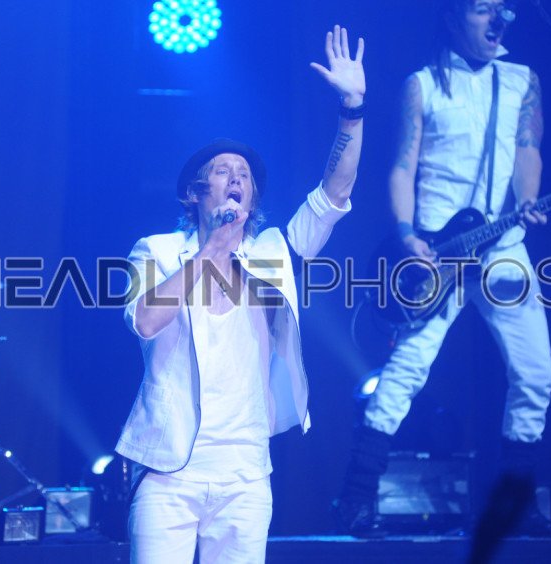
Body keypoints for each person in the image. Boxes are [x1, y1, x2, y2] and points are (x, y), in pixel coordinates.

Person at [116, 25, 365, 563]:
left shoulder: (275, 250)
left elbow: (335, 193)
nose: (235, 178)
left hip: (246, 474)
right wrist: (212, 248)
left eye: (244, 175)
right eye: (222, 171)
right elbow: (145, 321)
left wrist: (352, 110)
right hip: (166, 471)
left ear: (252, 196)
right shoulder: (156, 249)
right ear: (194, 192)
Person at [335, 0, 551, 536]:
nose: (497, 19)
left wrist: (528, 196)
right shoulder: (423, 85)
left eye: (502, 9)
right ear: (455, 16)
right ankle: (357, 499)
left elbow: (528, 149)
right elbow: (402, 167)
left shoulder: (523, 79)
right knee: (407, 370)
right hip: (439, 251)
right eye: (482, 9)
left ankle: (517, 506)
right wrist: (407, 234)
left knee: (536, 372)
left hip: (504, 246)